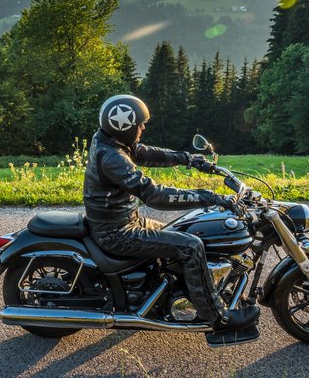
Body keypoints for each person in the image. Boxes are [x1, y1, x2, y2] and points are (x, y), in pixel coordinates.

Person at [83, 94, 260, 338]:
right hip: (117, 233)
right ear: (123, 127)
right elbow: (154, 195)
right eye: (139, 124)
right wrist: (210, 197)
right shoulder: (112, 157)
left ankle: (172, 293)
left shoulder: (110, 141)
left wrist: (189, 159)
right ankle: (218, 317)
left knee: (184, 231)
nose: (143, 128)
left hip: (125, 221)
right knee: (190, 245)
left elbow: (144, 153)